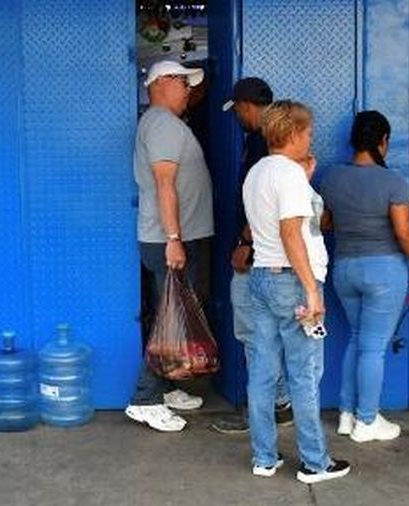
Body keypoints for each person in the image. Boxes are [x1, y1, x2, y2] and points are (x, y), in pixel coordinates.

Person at [243, 100, 350, 483]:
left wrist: (303, 179)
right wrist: (312, 291)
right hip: (292, 281)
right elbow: (292, 233)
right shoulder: (287, 174)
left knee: (262, 373)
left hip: (261, 277)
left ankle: (264, 458)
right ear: (293, 133)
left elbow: (271, 229)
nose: (310, 139)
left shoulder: (258, 172)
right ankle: (314, 463)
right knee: (304, 374)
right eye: (307, 133)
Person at [318, 111, 409, 443]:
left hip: (344, 270)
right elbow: (404, 233)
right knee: (373, 349)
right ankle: (367, 422)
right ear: (382, 141)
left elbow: (325, 223)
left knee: (356, 340)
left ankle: (346, 414)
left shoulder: (332, 177)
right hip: (383, 272)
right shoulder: (392, 180)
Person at [125, 60, 215, 432]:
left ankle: (165, 387)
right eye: (182, 81)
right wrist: (174, 239)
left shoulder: (167, 123)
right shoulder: (162, 123)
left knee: (178, 314)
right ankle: (144, 399)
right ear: (160, 84)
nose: (188, 88)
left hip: (177, 236)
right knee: (171, 318)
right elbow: (165, 184)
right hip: (171, 240)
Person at [210, 77, 293, 434]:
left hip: (258, 255)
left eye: (238, 110)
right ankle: (278, 403)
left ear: (245, 105)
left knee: (254, 335)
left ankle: (267, 409)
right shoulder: (271, 139)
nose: (238, 118)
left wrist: (246, 244)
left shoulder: (264, 143)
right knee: (264, 336)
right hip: (270, 256)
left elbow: (267, 205)